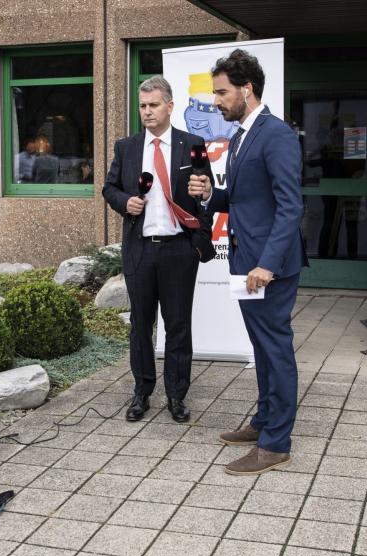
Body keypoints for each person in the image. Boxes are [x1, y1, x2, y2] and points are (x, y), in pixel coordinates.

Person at [189, 49, 308, 475]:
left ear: (247, 88)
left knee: (276, 351)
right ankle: (263, 423)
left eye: (221, 92)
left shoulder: (275, 135)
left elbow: (290, 206)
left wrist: (267, 264)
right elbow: (244, 199)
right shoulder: (242, 136)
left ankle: (276, 444)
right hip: (246, 262)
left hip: (266, 269)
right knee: (262, 348)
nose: (216, 101)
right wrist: (211, 194)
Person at [103, 75, 216, 424]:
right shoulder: (127, 147)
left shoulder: (192, 144)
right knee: (141, 324)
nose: (147, 112)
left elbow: (205, 196)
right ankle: (142, 392)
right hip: (140, 250)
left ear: (170, 106)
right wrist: (126, 203)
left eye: (154, 105)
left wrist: (199, 241)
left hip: (179, 250)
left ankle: (177, 396)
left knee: (178, 325)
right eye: (143, 106)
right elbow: (109, 188)